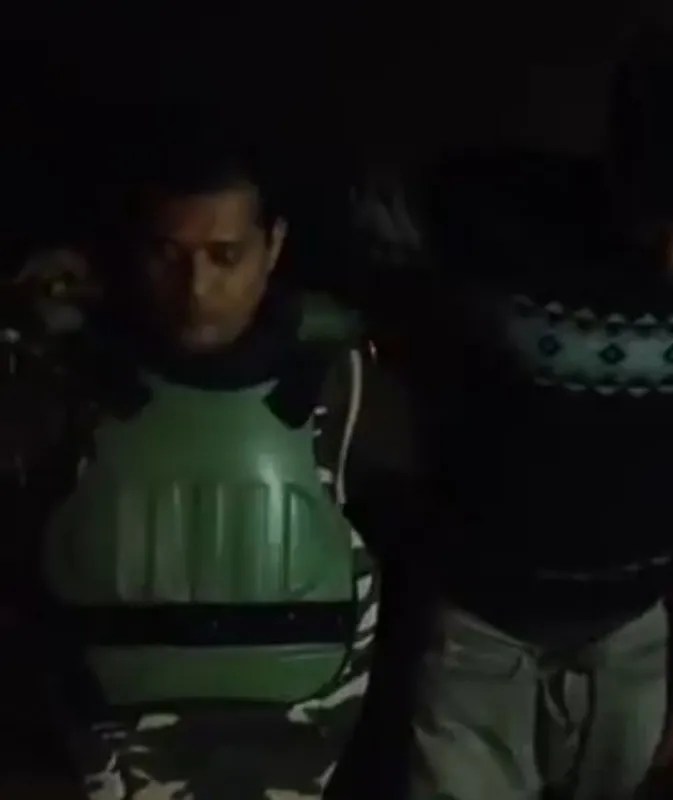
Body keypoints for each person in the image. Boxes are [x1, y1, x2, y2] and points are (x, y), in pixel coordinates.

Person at [361, 30, 673, 800]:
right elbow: (347, 223)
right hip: (478, 625)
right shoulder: (494, 207)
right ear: (610, 173)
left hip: (630, 634)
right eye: (653, 222)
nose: (672, 257)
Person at [7, 125, 424, 800]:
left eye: (225, 255)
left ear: (273, 246)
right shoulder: (64, 378)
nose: (196, 287)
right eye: (167, 255)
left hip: (296, 736)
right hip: (105, 742)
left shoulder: (342, 378)